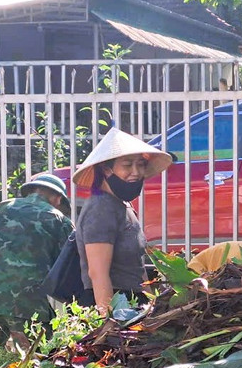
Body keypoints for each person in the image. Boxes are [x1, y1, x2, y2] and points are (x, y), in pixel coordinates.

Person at [71, 128, 171, 316]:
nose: (136, 172)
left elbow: (137, 268)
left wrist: (151, 308)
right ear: (106, 169)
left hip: (133, 303)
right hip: (115, 303)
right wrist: (110, 321)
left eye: (140, 165)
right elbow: (98, 273)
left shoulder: (122, 206)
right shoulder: (101, 208)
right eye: (127, 165)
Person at [0, 172, 72, 344]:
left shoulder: (0, 208)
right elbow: (68, 270)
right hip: (28, 303)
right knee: (37, 356)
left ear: (30, 191)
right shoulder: (59, 220)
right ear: (58, 198)